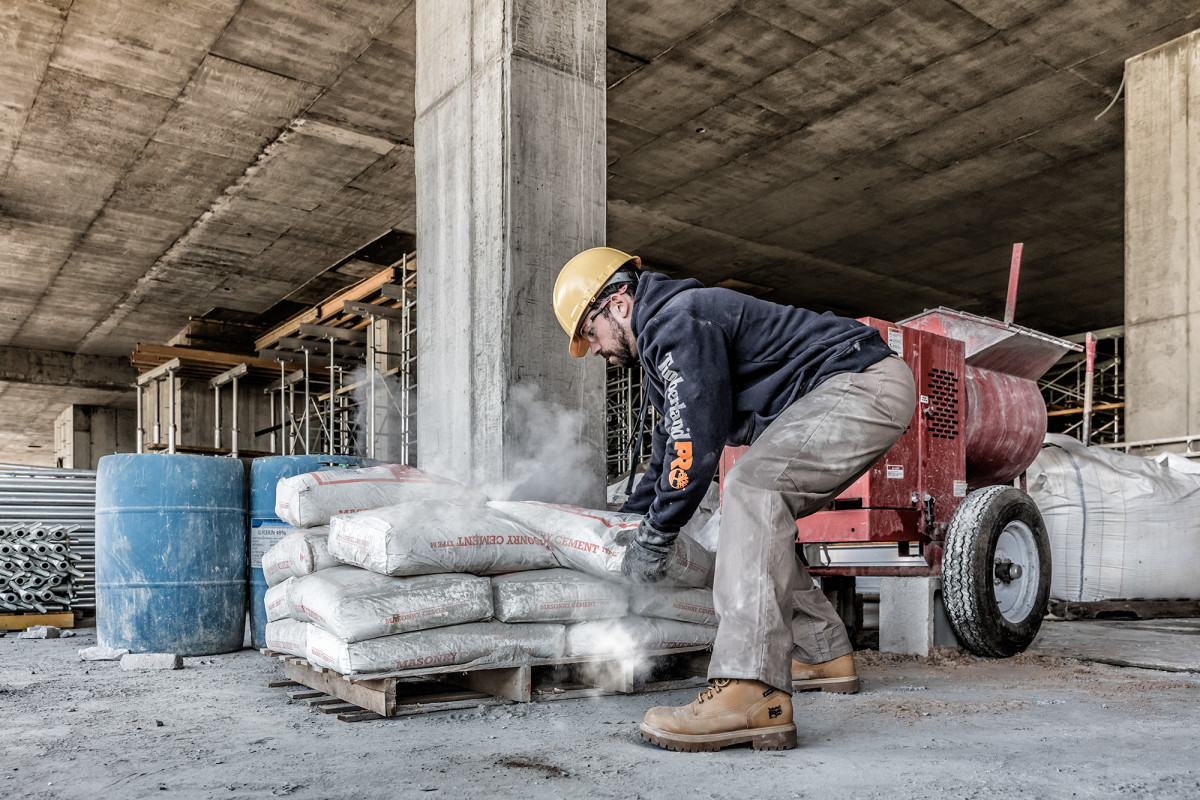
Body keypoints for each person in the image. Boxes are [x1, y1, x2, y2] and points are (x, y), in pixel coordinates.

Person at [552, 247, 916, 752]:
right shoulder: (667, 338)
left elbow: (694, 445)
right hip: (848, 385)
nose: (593, 349)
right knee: (753, 517)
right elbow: (667, 449)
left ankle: (750, 688)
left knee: (752, 488)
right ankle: (822, 654)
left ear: (618, 303)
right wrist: (630, 523)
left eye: (589, 332)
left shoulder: (677, 321)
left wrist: (657, 534)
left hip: (861, 382)